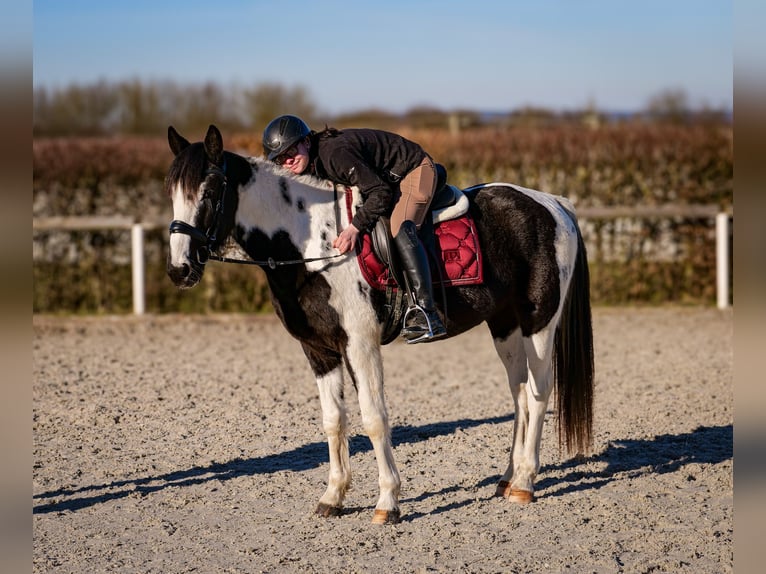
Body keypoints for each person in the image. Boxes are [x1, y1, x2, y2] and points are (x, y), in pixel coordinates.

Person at [262, 114, 447, 343]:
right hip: (386, 178)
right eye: (280, 159)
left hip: (413, 169)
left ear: (306, 141)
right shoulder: (310, 162)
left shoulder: (334, 154)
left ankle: (426, 313)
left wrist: (354, 228)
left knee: (400, 227)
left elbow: (381, 192)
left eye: (290, 151)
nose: (287, 161)